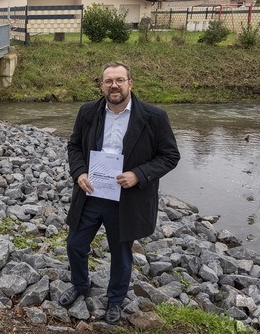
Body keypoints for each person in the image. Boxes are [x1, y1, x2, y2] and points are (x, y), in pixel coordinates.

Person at [59, 61, 180, 324]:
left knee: (121, 254)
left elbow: (170, 156)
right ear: (102, 85)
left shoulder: (154, 117)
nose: (114, 85)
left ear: (130, 83)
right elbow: (74, 146)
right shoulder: (88, 111)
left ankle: (115, 299)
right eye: (109, 81)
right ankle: (81, 285)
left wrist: (138, 174)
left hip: (127, 198)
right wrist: (79, 172)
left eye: (120, 80)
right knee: (74, 244)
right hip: (91, 193)